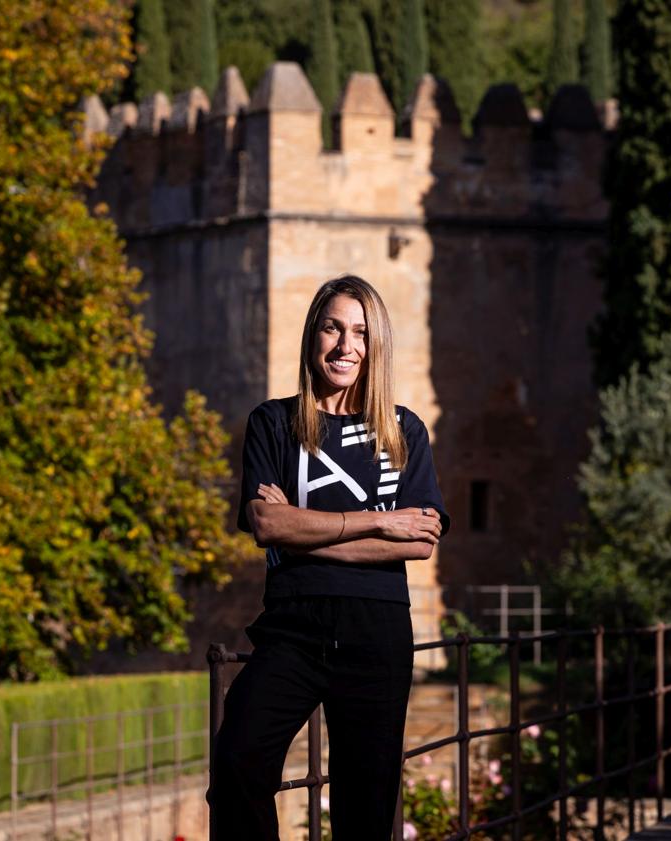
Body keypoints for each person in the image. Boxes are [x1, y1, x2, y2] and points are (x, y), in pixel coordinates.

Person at [207, 275, 450, 841]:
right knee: (238, 760)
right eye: (333, 327)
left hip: (378, 632)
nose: (346, 346)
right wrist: (378, 520)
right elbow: (266, 523)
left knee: (366, 805)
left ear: (376, 345)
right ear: (313, 335)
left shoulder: (403, 430)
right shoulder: (274, 423)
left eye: (361, 333)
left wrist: (304, 529)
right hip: (292, 629)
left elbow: (419, 541)